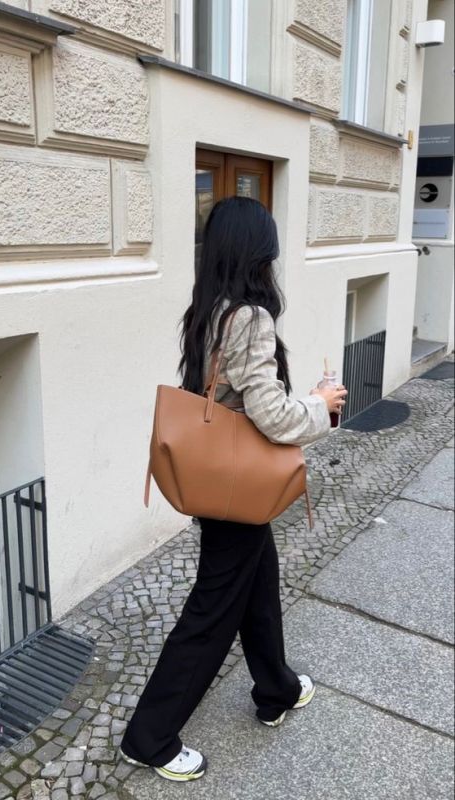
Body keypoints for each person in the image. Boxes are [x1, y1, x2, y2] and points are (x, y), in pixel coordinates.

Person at [119, 197, 347, 782]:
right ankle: (148, 738)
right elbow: (272, 416)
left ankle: (276, 689)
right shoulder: (250, 317)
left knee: (258, 588)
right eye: (270, 246)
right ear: (257, 251)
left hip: (221, 482)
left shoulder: (210, 309)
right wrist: (321, 404)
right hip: (236, 490)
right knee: (211, 612)